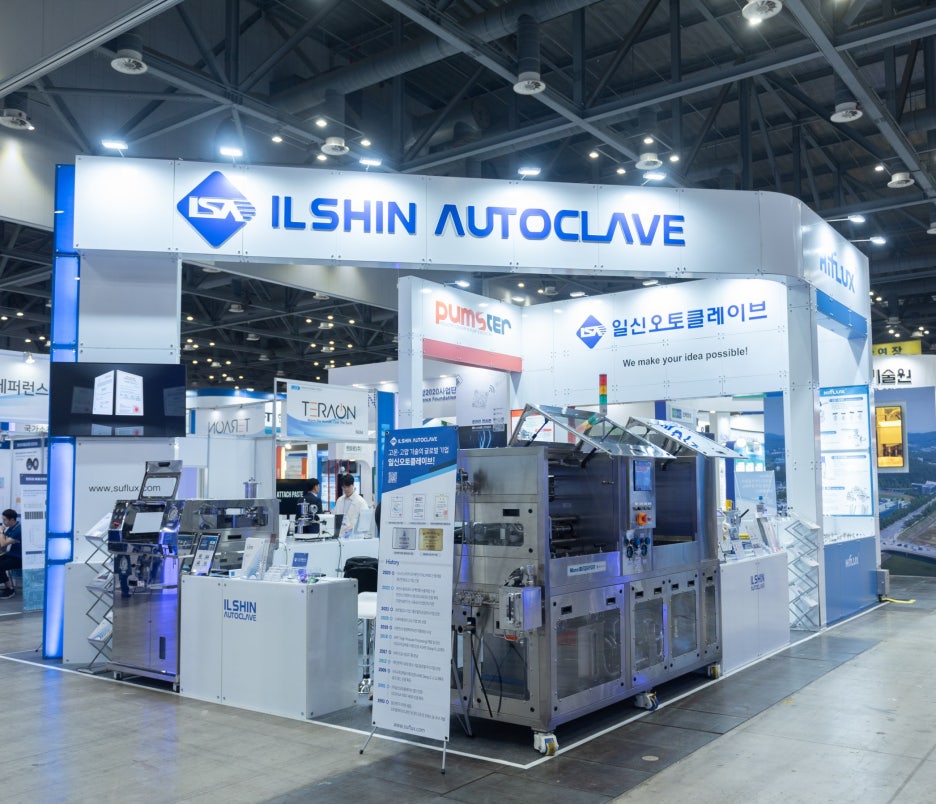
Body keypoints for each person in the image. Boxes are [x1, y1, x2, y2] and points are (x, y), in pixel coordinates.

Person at [0, 509, 22, 598]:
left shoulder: (18, 530)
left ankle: (10, 589)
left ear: (12, 520)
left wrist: (1, 532)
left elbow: (3, 544)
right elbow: (3, 544)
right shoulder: (10, 528)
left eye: (5, 520)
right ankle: (8, 586)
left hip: (19, 559)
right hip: (10, 555)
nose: (3, 522)